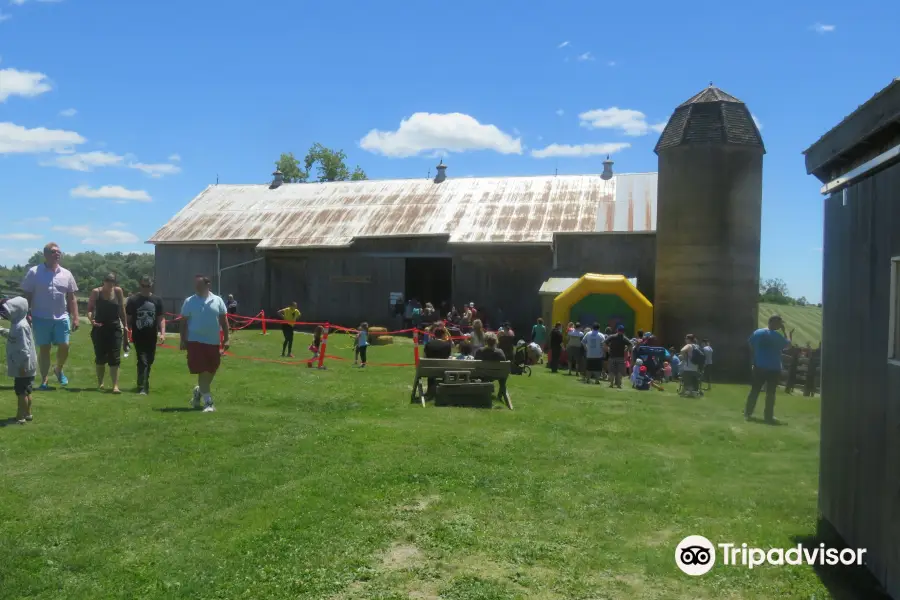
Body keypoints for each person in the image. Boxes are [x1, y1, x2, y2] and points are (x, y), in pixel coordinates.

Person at [20, 242, 79, 390]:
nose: (57, 254)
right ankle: (44, 380)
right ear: (45, 255)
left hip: (61, 317)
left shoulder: (67, 274)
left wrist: (76, 317)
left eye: (59, 252)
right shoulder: (34, 272)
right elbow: (27, 295)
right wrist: (26, 313)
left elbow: (72, 298)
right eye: (53, 252)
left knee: (64, 345)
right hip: (40, 317)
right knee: (44, 349)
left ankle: (58, 369)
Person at [180, 275, 229, 412]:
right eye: (196, 285)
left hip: (213, 341)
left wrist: (227, 338)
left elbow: (224, 321)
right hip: (195, 341)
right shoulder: (189, 301)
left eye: (199, 285)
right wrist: (182, 340)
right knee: (203, 371)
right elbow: (183, 322)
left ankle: (199, 391)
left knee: (211, 369)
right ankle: (208, 403)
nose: (196, 287)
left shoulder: (218, 300)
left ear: (207, 285)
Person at [745, 314, 792, 423]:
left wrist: (756, 357)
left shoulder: (757, 332)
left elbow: (750, 344)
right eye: (779, 324)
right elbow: (788, 346)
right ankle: (768, 416)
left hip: (759, 366)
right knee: (770, 393)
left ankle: (748, 412)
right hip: (773, 367)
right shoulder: (776, 336)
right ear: (774, 323)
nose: (780, 326)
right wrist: (786, 333)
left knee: (755, 390)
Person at [86, 273, 128, 393]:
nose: (110, 283)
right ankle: (101, 383)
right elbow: (89, 309)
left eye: (113, 281)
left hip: (114, 327)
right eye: (108, 280)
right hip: (99, 328)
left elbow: (122, 309)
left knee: (115, 356)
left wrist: (125, 325)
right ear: (103, 281)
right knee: (100, 357)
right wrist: (91, 320)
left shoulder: (118, 291)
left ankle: (115, 386)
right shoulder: (96, 292)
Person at [125, 275, 166, 395]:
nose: (145, 288)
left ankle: (142, 379)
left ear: (151, 285)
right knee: (143, 359)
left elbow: (161, 318)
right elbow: (128, 319)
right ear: (140, 285)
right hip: (138, 335)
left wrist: (162, 333)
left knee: (150, 360)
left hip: (152, 334)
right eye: (143, 286)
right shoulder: (133, 300)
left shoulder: (157, 300)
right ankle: (143, 386)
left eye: (147, 286)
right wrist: (127, 334)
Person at [2, 297, 37, 424]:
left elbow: (23, 349)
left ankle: (20, 417)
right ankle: (28, 414)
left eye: (9, 310)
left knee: (21, 392)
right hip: (27, 365)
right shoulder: (19, 324)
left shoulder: (20, 326)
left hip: (23, 365)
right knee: (27, 390)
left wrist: (22, 366)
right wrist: (1, 330)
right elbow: (13, 337)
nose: (6, 313)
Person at [474, 332, 509, 400]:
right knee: (503, 373)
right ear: (496, 341)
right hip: (498, 375)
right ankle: (502, 387)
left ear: (485, 341)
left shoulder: (479, 351)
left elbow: (475, 364)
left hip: (482, 374)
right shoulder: (500, 352)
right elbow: (504, 365)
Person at [604, 324, 633, 388]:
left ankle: (611, 384)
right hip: (621, 357)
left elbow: (604, 343)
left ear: (617, 330)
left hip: (612, 356)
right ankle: (619, 385)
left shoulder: (612, 337)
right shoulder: (624, 338)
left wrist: (607, 349)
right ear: (623, 331)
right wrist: (626, 350)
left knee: (611, 371)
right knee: (619, 371)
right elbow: (631, 345)